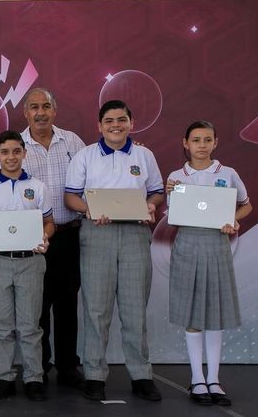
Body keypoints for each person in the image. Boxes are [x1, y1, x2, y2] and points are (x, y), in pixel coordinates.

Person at [64, 100, 165, 402]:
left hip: (135, 233)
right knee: (96, 310)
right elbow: (70, 198)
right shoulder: (85, 156)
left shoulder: (144, 155)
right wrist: (92, 210)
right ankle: (95, 374)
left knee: (135, 309)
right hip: (98, 233)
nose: (115, 125)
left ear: (131, 122)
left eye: (121, 119)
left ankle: (141, 375)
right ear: (100, 125)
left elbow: (157, 192)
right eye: (109, 120)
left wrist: (152, 204)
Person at [165, 120, 251, 407]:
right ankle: (197, 378)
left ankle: (214, 379)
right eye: (196, 139)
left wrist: (234, 220)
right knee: (193, 313)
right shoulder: (177, 176)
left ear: (215, 142)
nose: (201, 145)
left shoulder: (227, 173)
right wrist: (169, 192)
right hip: (187, 244)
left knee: (215, 311)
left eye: (207, 139)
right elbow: (171, 211)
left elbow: (245, 203)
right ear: (185, 143)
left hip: (217, 244)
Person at [0, 131, 53, 402]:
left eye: (16, 151)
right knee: (2, 325)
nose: (11, 157)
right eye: (5, 152)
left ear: (24, 153)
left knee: (30, 325)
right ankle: (5, 377)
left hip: (30, 261)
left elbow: (49, 222)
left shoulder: (38, 187)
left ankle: (33, 378)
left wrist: (45, 237)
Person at [19, 89, 86, 386]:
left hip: (69, 235)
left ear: (55, 110)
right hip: (32, 238)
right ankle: (40, 367)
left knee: (67, 304)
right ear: (25, 112)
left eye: (46, 106)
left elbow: (93, 176)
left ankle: (69, 366)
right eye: (34, 107)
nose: (41, 112)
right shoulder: (15, 145)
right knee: (37, 306)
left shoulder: (73, 142)